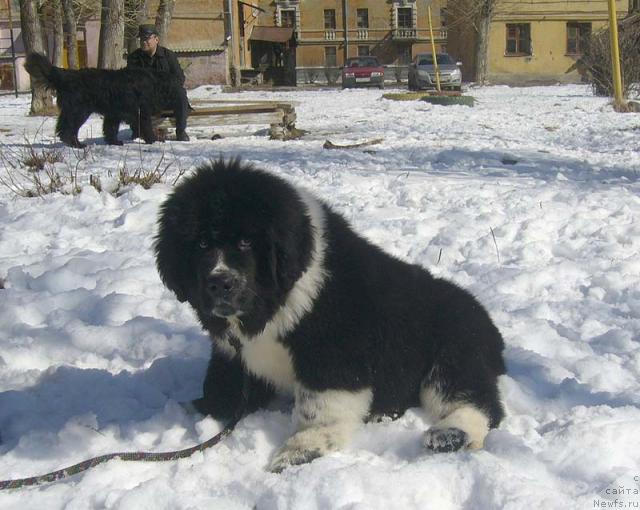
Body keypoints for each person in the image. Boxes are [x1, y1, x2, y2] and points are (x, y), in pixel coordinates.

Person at [127, 24, 190, 141]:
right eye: (141, 39)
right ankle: (137, 131)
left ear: (156, 39)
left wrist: (163, 86)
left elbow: (179, 78)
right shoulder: (134, 58)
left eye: (146, 39)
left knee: (180, 93)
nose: (143, 42)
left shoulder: (168, 56)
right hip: (145, 99)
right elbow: (130, 81)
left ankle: (181, 131)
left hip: (165, 97)